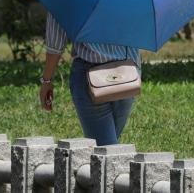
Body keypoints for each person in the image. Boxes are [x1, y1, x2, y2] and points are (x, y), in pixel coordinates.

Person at [39, 11, 142, 146]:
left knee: (106, 150)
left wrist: (46, 81)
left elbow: (55, 43)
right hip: (128, 74)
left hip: (91, 78)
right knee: (109, 147)